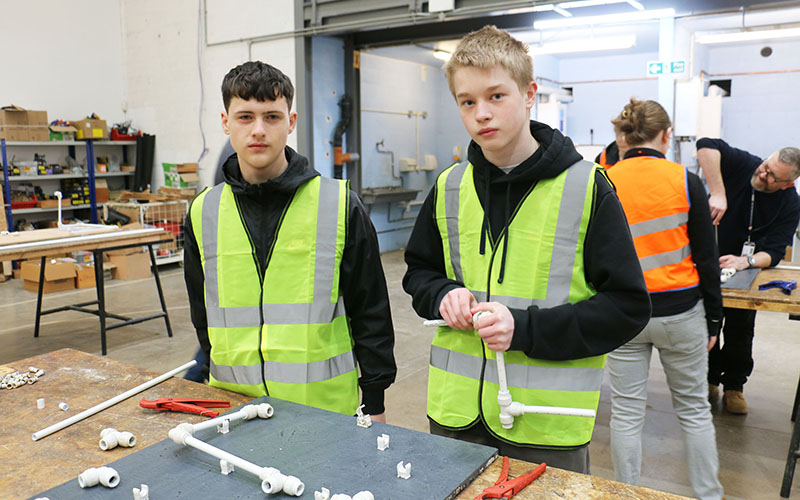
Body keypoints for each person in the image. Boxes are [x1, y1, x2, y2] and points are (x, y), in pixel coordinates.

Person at [402, 25, 651, 473]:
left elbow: (627, 308)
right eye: (468, 101)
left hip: (544, 429)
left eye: (496, 96)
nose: (482, 113)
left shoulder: (585, 187)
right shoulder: (449, 187)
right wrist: (442, 294)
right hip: (455, 420)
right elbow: (419, 272)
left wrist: (524, 329)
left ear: (529, 92)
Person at [183, 61, 397, 421]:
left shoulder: (339, 205)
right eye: (245, 117)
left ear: (291, 122)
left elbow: (371, 313)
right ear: (225, 123)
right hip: (237, 411)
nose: (259, 130)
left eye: (272, 117)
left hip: (325, 414)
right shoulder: (203, 211)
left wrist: (373, 402)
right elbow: (202, 316)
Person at [605, 99, 723, 500]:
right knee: (694, 412)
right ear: (667, 135)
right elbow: (707, 258)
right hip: (681, 312)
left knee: (625, 415)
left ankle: (625, 494)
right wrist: (715, 320)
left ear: (624, 134)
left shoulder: (604, 179)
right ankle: (709, 495)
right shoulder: (685, 180)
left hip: (624, 315)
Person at [696, 137, 800, 414]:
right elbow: (706, 144)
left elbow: (775, 251)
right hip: (708, 263)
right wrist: (717, 192)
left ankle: (734, 386)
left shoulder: (790, 203)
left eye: (772, 176)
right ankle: (708, 381)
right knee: (708, 326)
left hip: (746, 269)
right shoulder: (745, 164)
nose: (763, 174)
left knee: (740, 329)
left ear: (788, 183)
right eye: (766, 166)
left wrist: (747, 261)